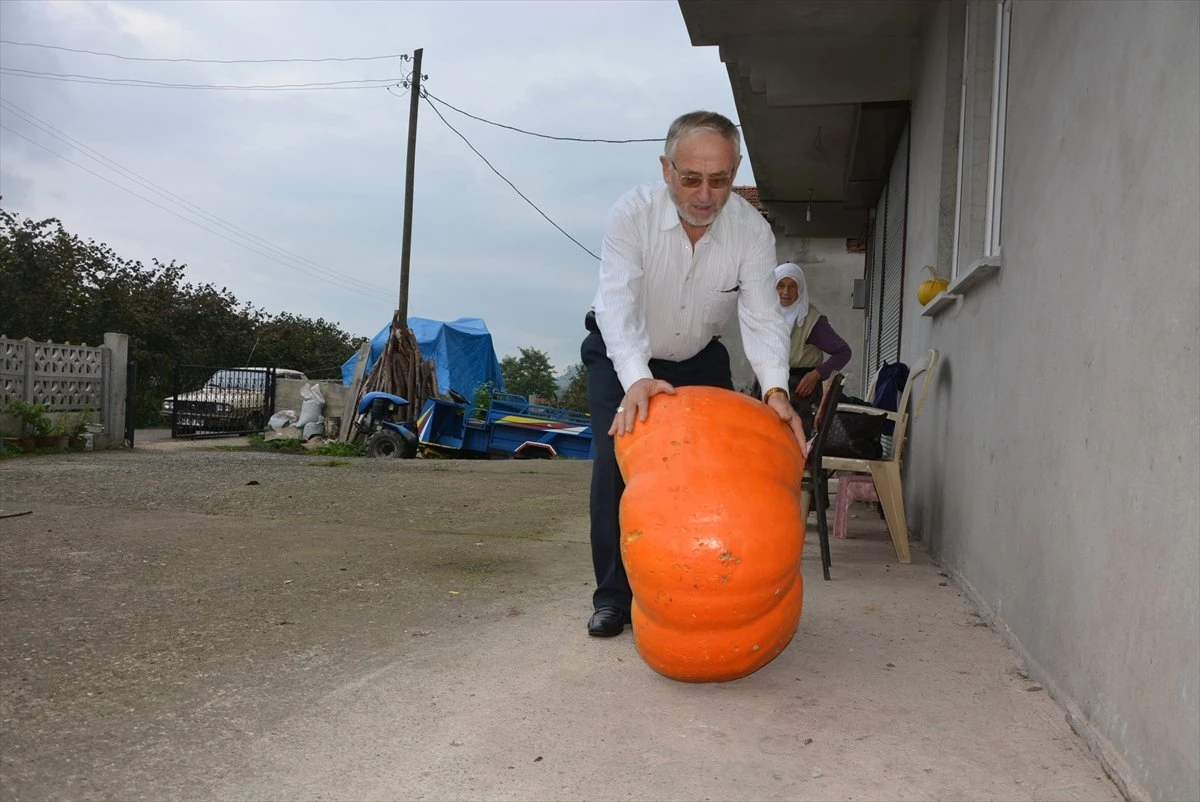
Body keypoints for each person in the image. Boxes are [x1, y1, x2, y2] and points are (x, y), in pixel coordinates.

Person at [581, 110, 807, 638]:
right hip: (622, 354)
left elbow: (760, 316)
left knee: (715, 468)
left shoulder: (752, 233)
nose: (705, 194)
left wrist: (775, 389)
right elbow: (617, 304)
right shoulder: (631, 214)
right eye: (691, 179)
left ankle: (711, 587)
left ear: (735, 171)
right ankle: (613, 597)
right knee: (617, 466)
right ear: (666, 169)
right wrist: (636, 377)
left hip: (701, 357)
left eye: (720, 180)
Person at [769, 262, 852, 434]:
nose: (786, 292)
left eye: (793, 286)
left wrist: (817, 374)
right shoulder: (766, 315)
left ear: (801, 290)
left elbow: (843, 351)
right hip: (769, 387)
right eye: (780, 285)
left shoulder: (811, 321)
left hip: (799, 393)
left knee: (795, 442)